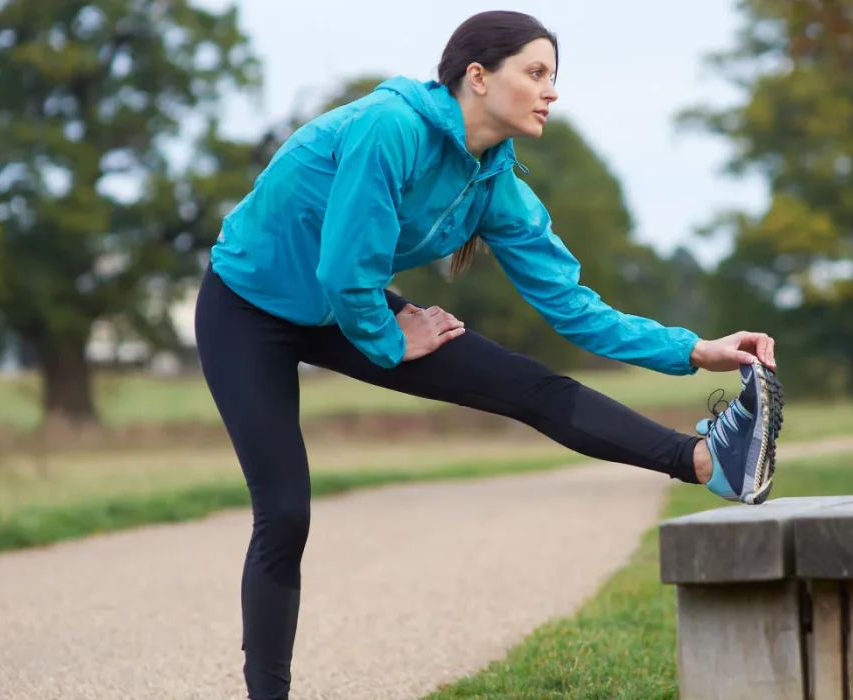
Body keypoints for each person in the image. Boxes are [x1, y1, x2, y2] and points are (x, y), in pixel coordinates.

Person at [192, 9, 784, 700]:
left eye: (553, 77)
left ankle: (708, 461)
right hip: (249, 307)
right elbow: (343, 271)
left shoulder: (495, 185)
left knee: (527, 385)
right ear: (478, 77)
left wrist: (693, 350)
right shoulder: (392, 128)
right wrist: (389, 339)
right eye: (535, 73)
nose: (550, 91)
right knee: (285, 511)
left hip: (342, 302)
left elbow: (574, 308)